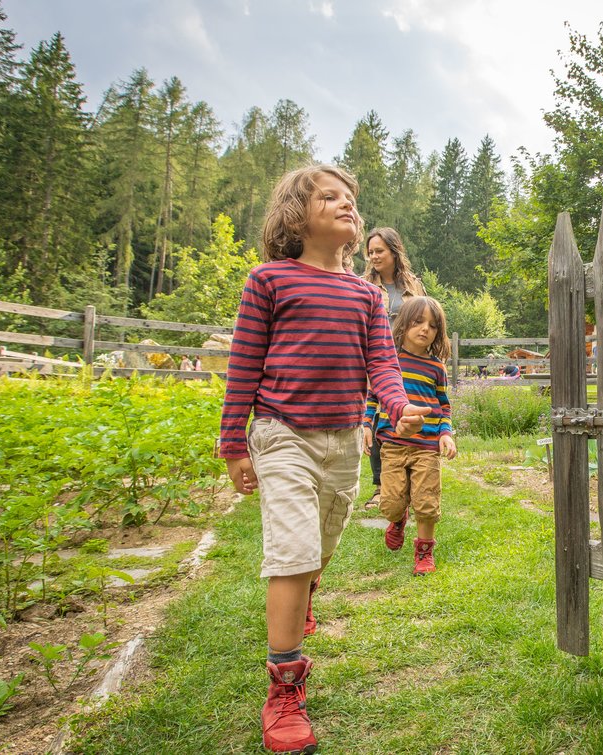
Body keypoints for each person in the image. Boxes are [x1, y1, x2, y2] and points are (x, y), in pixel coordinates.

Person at [217, 164, 431, 754]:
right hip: (281, 433)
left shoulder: (365, 294)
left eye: (349, 199)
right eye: (329, 197)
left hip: (343, 440)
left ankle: (305, 591)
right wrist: (234, 443)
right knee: (292, 551)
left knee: (320, 547)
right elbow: (243, 367)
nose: (346, 206)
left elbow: (382, 364)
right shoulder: (270, 281)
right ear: (296, 215)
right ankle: (284, 688)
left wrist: (396, 404)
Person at [364, 296, 456, 576]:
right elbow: (372, 397)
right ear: (404, 324)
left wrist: (446, 433)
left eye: (432, 326)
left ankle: (424, 553)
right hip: (392, 445)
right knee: (390, 504)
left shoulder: (436, 368)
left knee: (427, 503)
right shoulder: (388, 363)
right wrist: (367, 425)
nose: (425, 329)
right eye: (418, 322)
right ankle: (398, 519)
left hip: (427, 447)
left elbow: (444, 406)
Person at [360, 228, 426, 511]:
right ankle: (380, 488)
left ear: (394, 252)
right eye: (371, 251)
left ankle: (409, 485)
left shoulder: (414, 285)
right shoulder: (362, 285)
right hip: (375, 362)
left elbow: (426, 317)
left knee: (408, 421)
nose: (374, 256)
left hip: (408, 361)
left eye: (379, 251)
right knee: (378, 422)